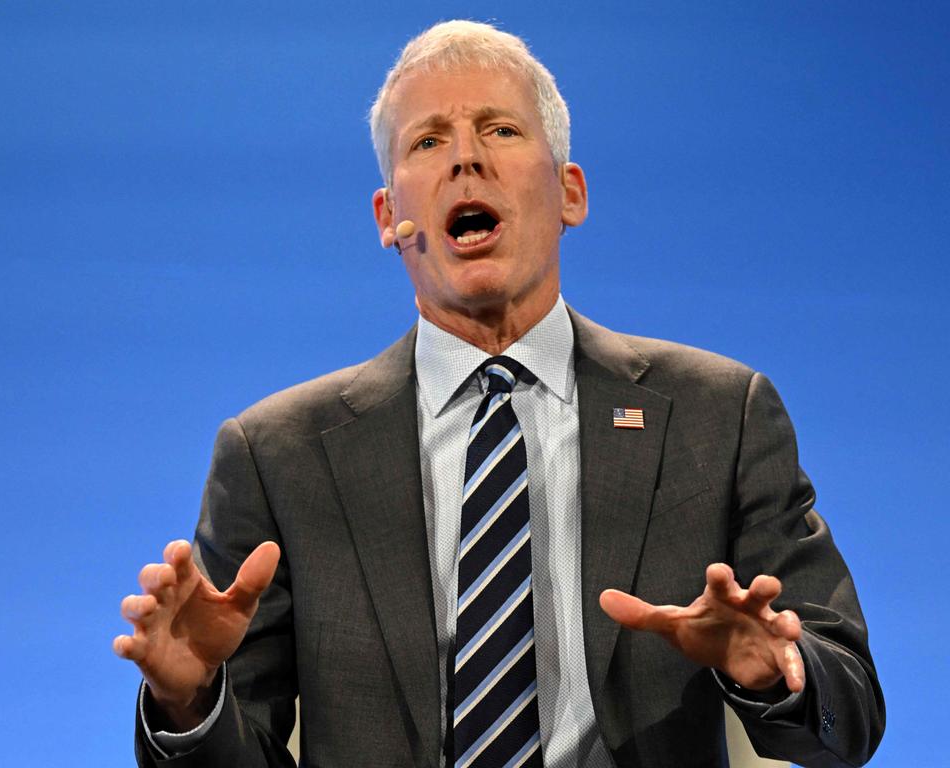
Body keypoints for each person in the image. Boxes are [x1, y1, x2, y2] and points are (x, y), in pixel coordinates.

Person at [114, 20, 884, 768]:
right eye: (427, 141)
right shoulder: (275, 456)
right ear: (390, 219)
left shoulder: (719, 417)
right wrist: (192, 702)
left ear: (569, 194)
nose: (465, 160)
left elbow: (849, 717)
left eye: (501, 131)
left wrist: (771, 669)